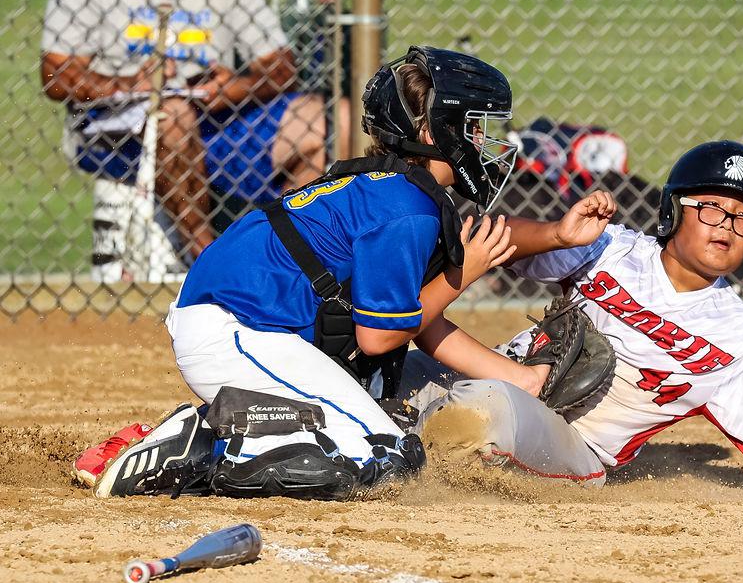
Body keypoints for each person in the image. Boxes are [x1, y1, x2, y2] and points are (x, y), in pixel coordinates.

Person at [78, 45, 554, 502]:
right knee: (384, 457)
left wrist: (520, 374)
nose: (485, 143)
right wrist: (463, 276)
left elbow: (418, 317)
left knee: (390, 426)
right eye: (473, 127)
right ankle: (200, 447)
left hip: (246, 325)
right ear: (433, 133)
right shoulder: (407, 208)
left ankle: (218, 427)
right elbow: (379, 339)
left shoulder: (392, 190)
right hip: (237, 329)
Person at [404, 140, 743, 507]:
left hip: (572, 444)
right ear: (673, 212)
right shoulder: (611, 250)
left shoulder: (740, 338)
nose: (726, 226)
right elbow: (491, 242)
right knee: (387, 358)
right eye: (710, 208)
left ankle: (403, 445)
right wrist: (559, 235)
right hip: (485, 375)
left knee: (488, 410)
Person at [40, 0, 329, 281]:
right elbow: (54, 74)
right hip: (115, 126)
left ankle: (290, 266)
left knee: (321, 118)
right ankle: (210, 261)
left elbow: (282, 66)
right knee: (173, 115)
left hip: (212, 118)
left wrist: (235, 88)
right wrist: (129, 85)